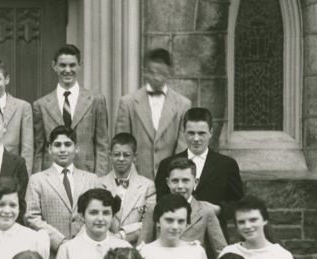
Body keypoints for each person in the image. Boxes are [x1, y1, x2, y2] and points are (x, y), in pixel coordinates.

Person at [113, 49, 191, 180]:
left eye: (161, 73)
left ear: (169, 73)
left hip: (170, 179)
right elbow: (122, 144)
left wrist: (174, 175)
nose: (156, 77)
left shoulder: (183, 105)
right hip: (136, 178)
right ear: (145, 72)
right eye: (152, 72)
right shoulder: (128, 103)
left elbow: (182, 147)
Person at [23, 126, 101, 254]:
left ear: (76, 148)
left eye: (68, 144)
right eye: (57, 145)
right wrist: (60, 242)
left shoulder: (91, 179)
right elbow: (31, 217)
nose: (63, 149)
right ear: (49, 149)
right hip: (53, 253)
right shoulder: (37, 180)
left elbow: (99, 212)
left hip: (87, 249)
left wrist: (82, 240)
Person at [32, 44, 109, 175]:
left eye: (72, 65)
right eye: (62, 65)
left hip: (86, 171)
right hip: (52, 173)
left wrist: (100, 179)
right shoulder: (41, 105)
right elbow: (38, 149)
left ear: (80, 65)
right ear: (54, 66)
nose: (67, 70)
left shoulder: (95, 100)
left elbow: (102, 145)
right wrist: (37, 178)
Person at [154, 106, 244, 217]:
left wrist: (219, 209)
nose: (196, 139)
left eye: (201, 133)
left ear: (211, 132)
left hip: (214, 230)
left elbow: (239, 205)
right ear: (184, 132)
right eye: (191, 133)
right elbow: (160, 202)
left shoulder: (227, 165)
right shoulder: (166, 164)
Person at [148, 158, 227, 259]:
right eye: (175, 181)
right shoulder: (154, 209)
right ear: (168, 182)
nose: (180, 186)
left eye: (185, 180)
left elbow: (221, 250)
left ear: (195, 182)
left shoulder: (206, 211)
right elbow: (142, 247)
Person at [99, 132, 156, 245]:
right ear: (110, 155)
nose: (121, 159)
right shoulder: (98, 184)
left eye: (126, 155)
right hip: (105, 246)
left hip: (135, 248)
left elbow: (148, 223)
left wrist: (122, 235)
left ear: (135, 157)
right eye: (116, 154)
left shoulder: (148, 186)